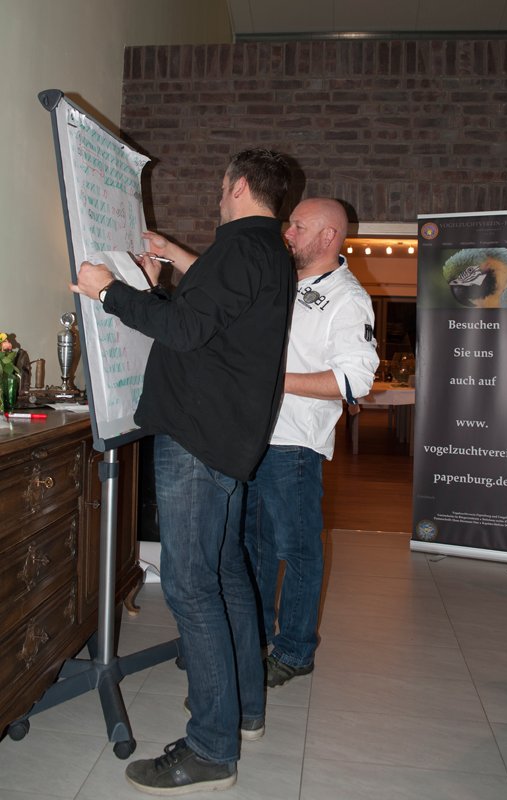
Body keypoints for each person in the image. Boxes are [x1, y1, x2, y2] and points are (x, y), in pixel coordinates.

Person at [71, 148, 294, 795]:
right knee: (226, 577)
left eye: (222, 187)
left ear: (239, 185)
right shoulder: (267, 252)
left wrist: (107, 290)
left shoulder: (238, 248)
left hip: (197, 440)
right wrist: (159, 278)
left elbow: (187, 330)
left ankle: (210, 750)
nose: (218, 197)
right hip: (224, 440)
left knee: (193, 588)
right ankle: (244, 712)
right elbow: (212, 325)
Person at [243, 197, 379, 687]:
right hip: (256, 438)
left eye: (298, 226)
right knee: (255, 548)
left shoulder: (349, 299)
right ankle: (254, 640)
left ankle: (295, 652)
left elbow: (354, 381)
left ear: (328, 237)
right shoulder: (285, 280)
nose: (288, 232)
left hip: (295, 447)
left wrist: (274, 381)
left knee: (298, 551)